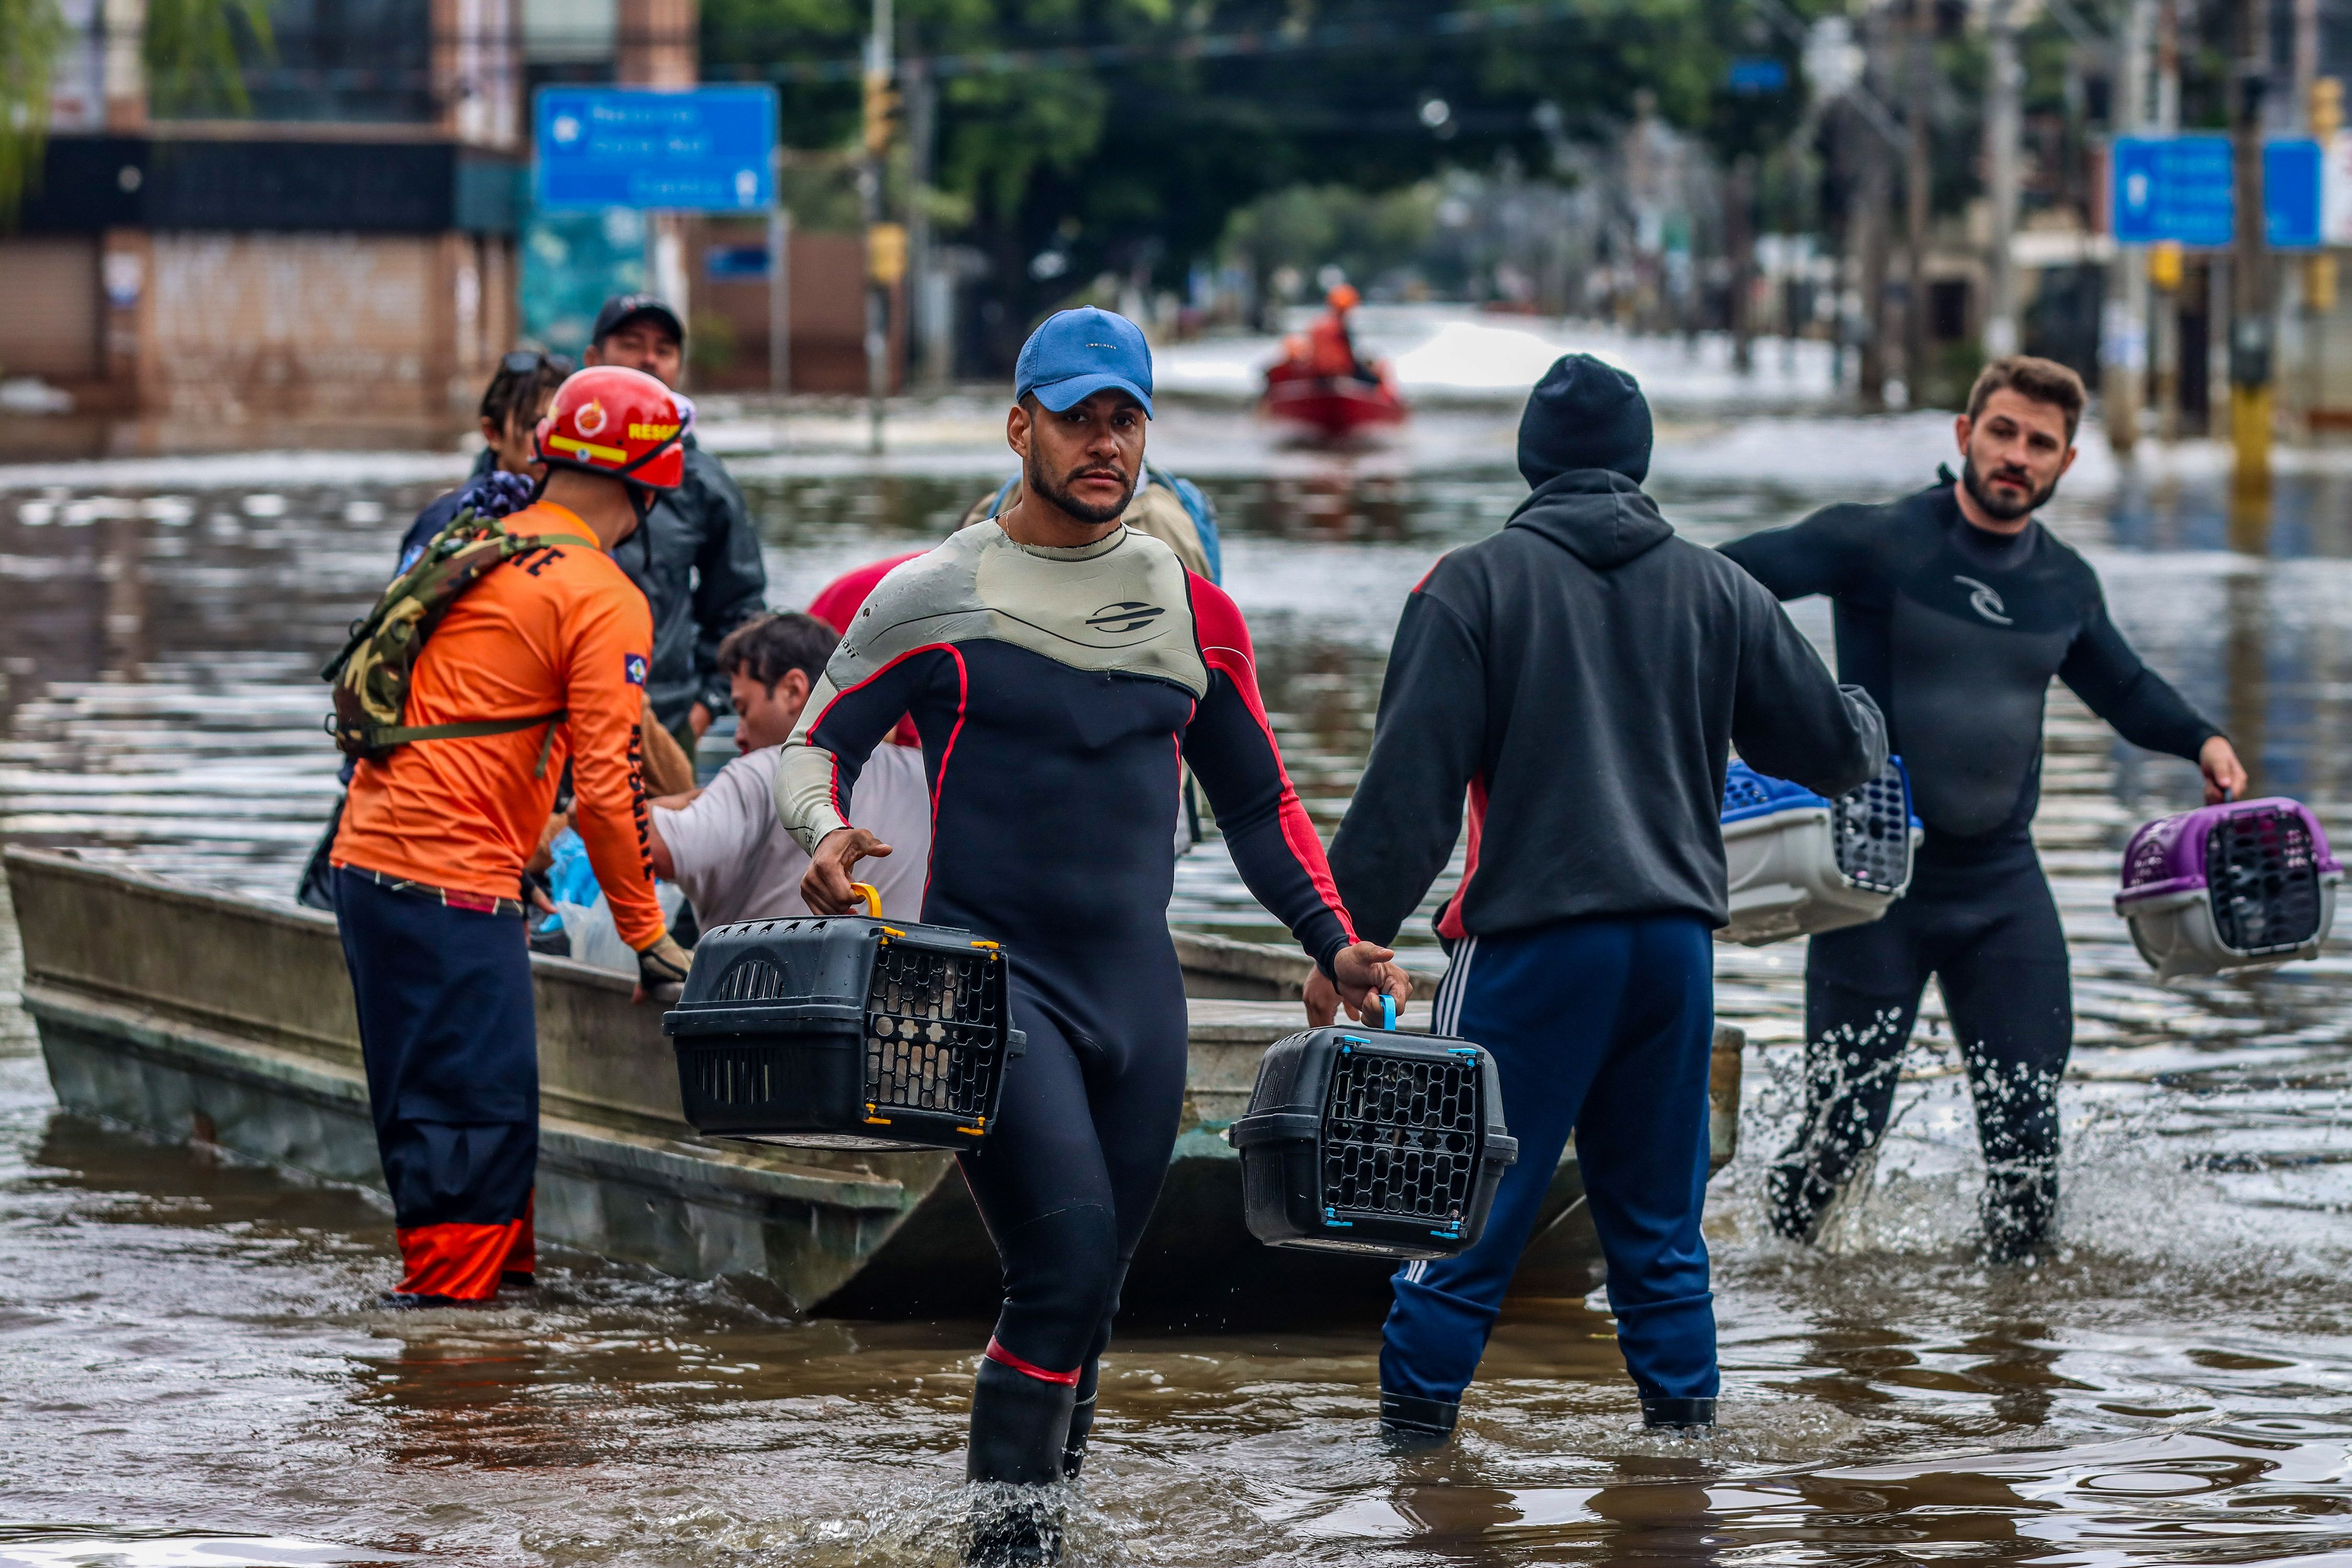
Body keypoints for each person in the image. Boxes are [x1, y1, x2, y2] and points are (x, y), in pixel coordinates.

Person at [774, 307, 1408, 1555]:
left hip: (1136, 1002)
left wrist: (1333, 940)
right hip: (988, 996)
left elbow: (1257, 799)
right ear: (1021, 427)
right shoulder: (933, 596)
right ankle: (1002, 1551)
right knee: (1057, 1279)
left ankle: (1046, 1533)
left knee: (1093, 1298)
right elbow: (815, 743)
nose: (1100, 442)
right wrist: (822, 833)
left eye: (1122, 418)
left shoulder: (1192, 609)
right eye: (1075, 418)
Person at [1320, 353, 1888, 1443]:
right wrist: (1866, 710)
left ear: (1532, 461)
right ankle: (1682, 1477)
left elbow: (1410, 799)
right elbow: (1829, 748)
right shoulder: (1721, 589)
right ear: (1640, 462)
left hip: (1533, 950)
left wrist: (1337, 937)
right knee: (1661, 1236)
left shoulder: (1469, 585)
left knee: (1461, 1221)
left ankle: (1412, 1477)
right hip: (1673, 952)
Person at [1719, 354, 2246, 1262]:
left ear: (2066, 464)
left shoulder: (2065, 585)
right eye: (2002, 432)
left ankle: (2014, 1367)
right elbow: (1721, 584)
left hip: (2003, 889)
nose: (2017, 455)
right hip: (1872, 886)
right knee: (1840, 1139)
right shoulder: (1878, 542)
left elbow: (2124, 686)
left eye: (2041, 443)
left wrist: (2204, 741)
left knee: (2029, 1151)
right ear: (1965, 436)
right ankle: (1793, 1313)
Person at [329, 365, 694, 1306]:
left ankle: (490, 1346)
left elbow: (482, 720)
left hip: (374, 866)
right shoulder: (600, 592)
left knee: (462, 1124)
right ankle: (452, 1377)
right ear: (654, 479)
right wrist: (650, 938)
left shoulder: (482, 540)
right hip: (448, 884)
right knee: (472, 1130)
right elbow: (609, 794)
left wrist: (527, 855)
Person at [647, 611, 929, 926]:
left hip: (768, 975)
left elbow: (647, 846)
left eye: (744, 709)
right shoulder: (924, 774)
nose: (739, 735)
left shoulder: (760, 772)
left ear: (793, 691)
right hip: (910, 973)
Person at [582, 294, 769, 750]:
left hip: (661, 723)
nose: (649, 359)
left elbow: (740, 608)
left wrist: (703, 709)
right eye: (631, 344)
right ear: (592, 360)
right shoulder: (545, 465)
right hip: (551, 721)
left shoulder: (704, 483)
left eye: (664, 350)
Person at [397, 350, 572, 571]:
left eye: (559, 426)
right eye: (533, 425)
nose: (550, 440)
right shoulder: (450, 519)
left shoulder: (585, 514)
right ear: (493, 434)